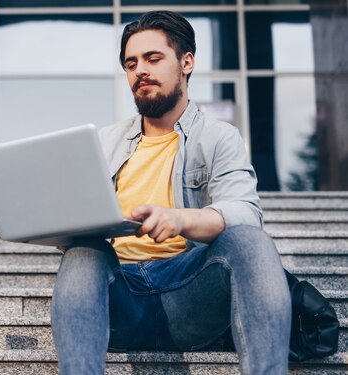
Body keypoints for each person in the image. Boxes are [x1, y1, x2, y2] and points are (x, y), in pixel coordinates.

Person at [51, 10, 291, 375]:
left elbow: (246, 214)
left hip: (190, 297)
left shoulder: (218, 136)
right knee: (83, 254)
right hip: (121, 299)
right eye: (131, 63)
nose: (140, 70)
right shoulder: (104, 142)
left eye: (153, 58)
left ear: (186, 62)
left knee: (251, 243)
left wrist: (179, 219)